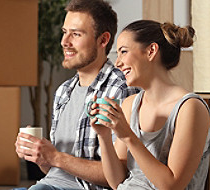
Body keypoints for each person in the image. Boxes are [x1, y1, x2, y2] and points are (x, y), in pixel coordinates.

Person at [15, 0, 138, 189]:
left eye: (76, 34)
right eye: (65, 32)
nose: (64, 42)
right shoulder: (63, 91)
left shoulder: (120, 89)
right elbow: (56, 172)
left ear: (103, 40)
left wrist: (56, 157)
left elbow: (122, 177)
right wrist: (41, 156)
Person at [89, 20, 210, 189]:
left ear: (151, 51)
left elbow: (171, 185)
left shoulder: (190, 108)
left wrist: (127, 136)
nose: (117, 63)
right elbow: (117, 181)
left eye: (123, 52)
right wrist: (103, 136)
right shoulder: (130, 104)